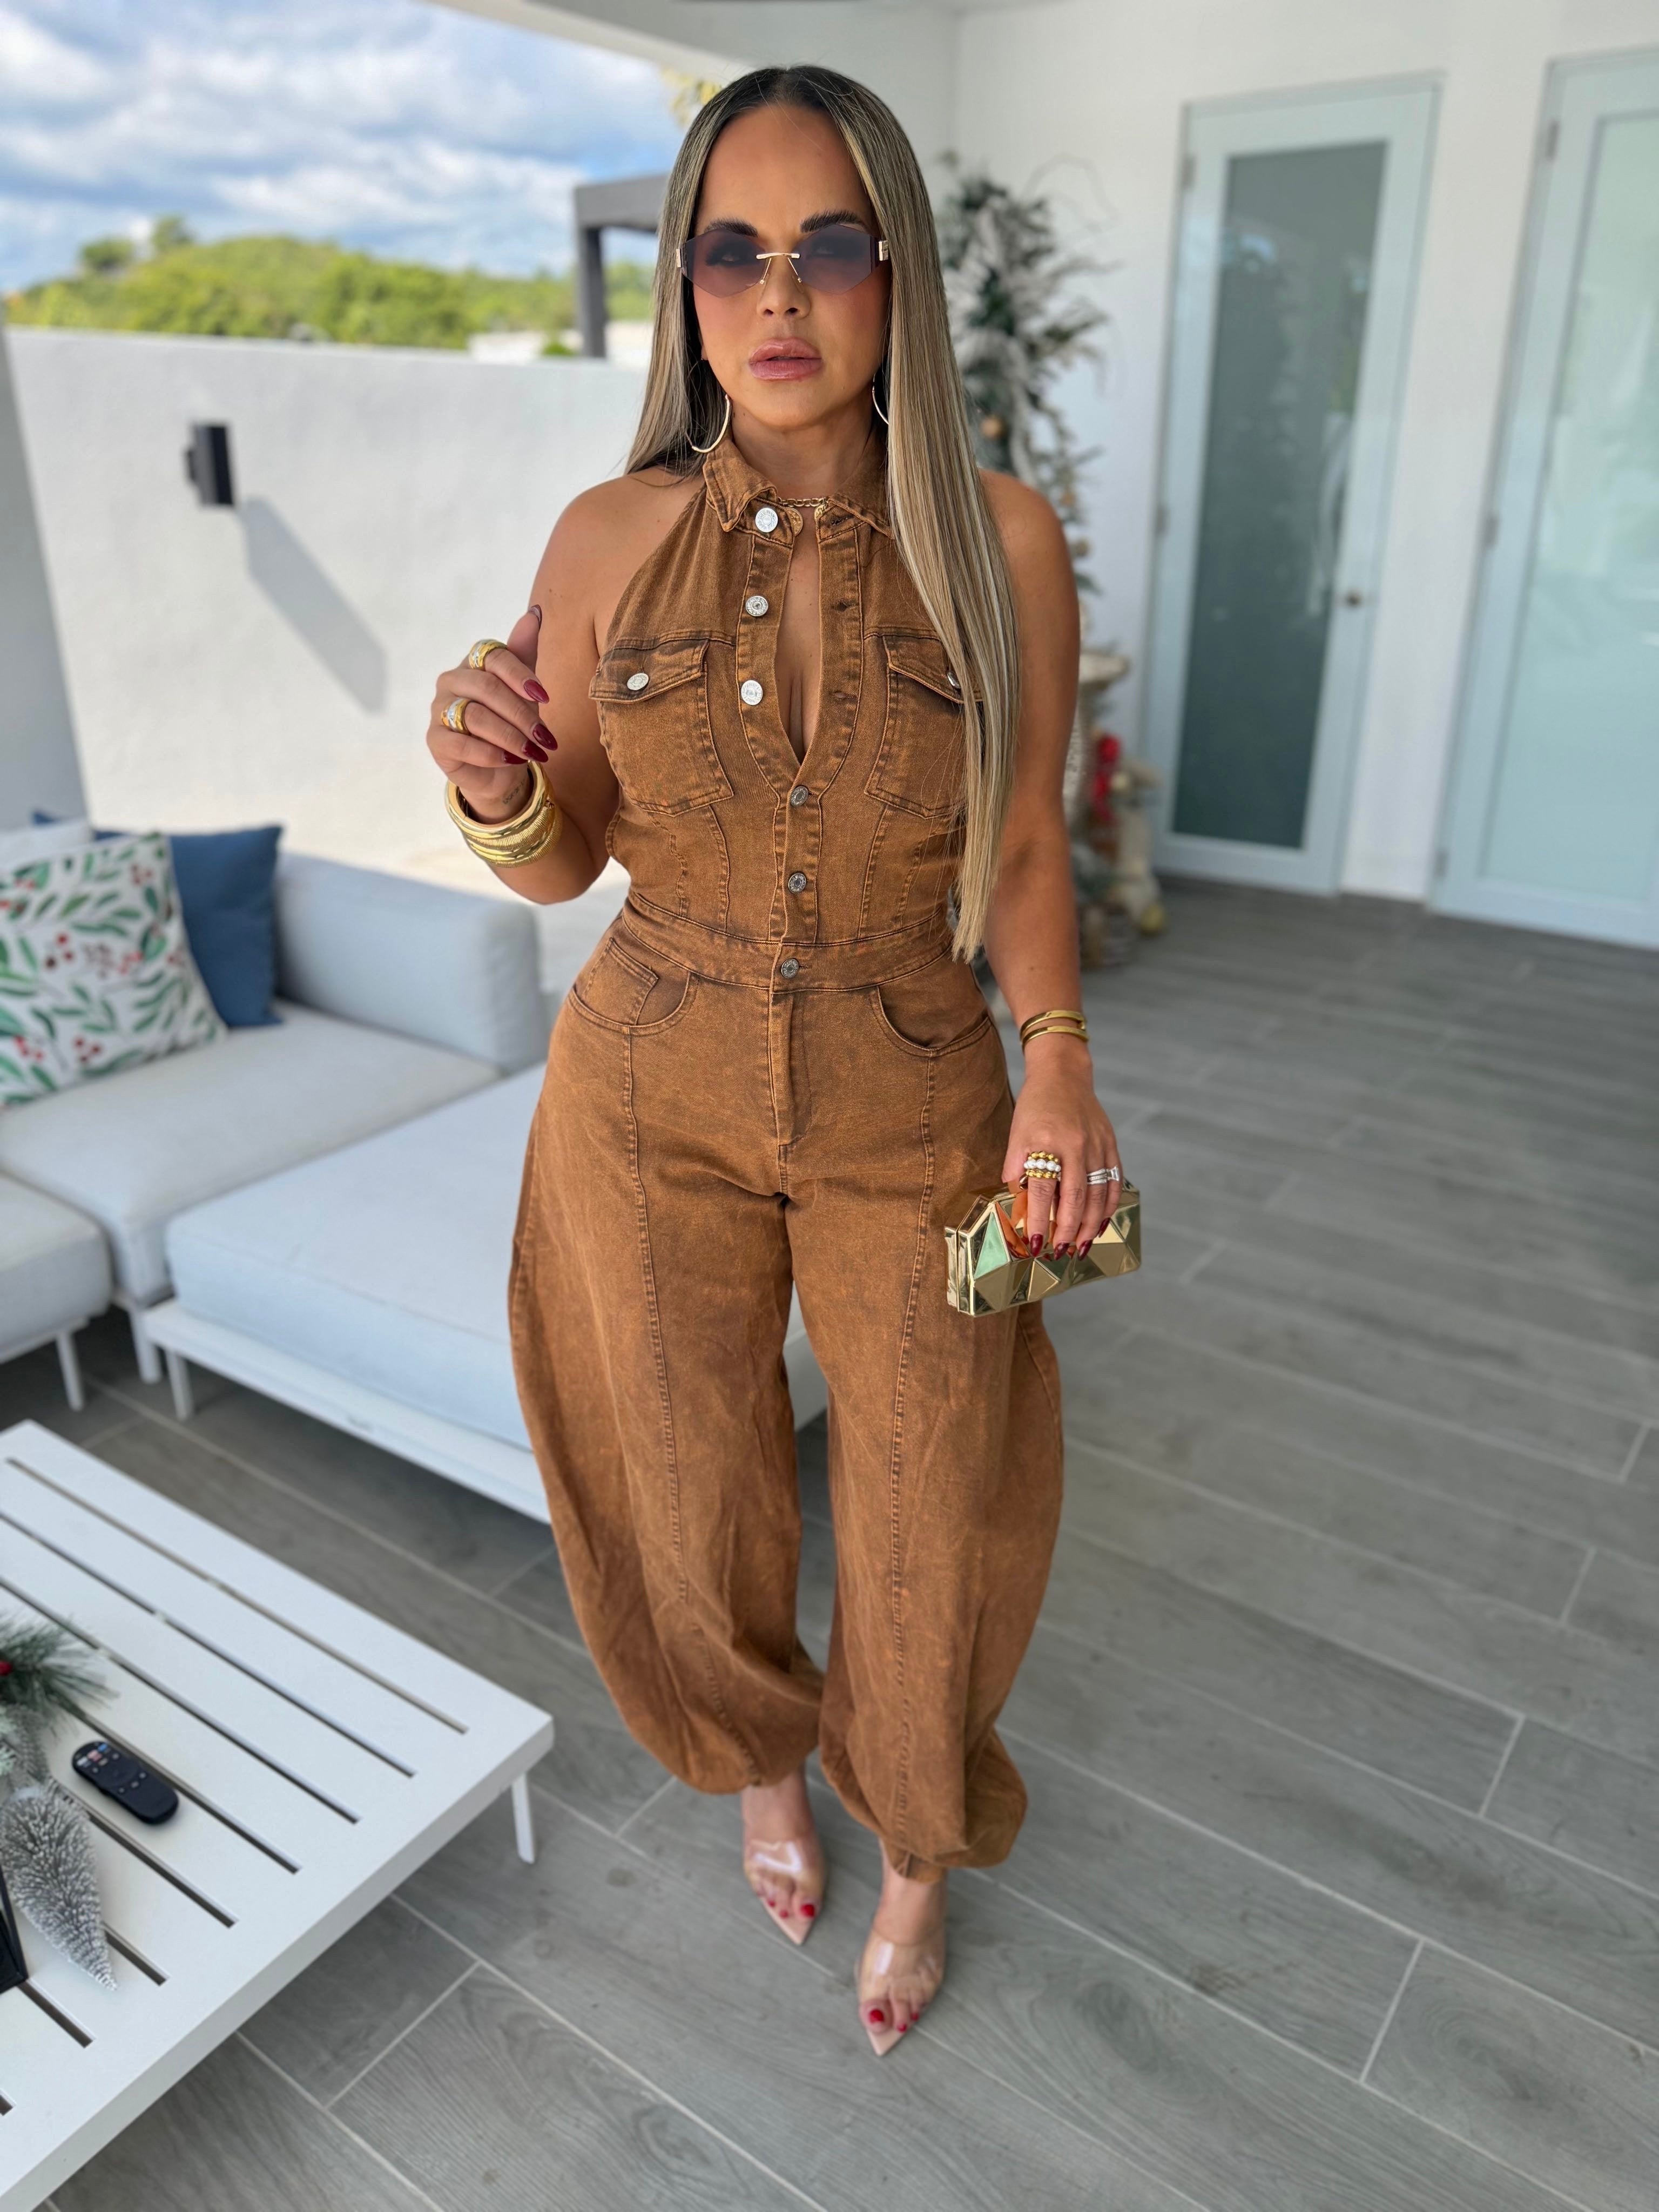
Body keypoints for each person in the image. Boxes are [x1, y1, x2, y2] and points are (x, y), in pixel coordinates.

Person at [426, 64, 1123, 2059]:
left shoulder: (1000, 538)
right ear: (685, 284)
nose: (780, 293)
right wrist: (491, 786)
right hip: (645, 1081)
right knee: (684, 1475)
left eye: (828, 244)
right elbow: (562, 859)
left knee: (936, 1494)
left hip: (918, 1087)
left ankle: (914, 1841)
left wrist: (1059, 1061)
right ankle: (756, 1764)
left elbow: (1019, 846)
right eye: (732, 250)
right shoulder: (607, 535)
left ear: (896, 270)